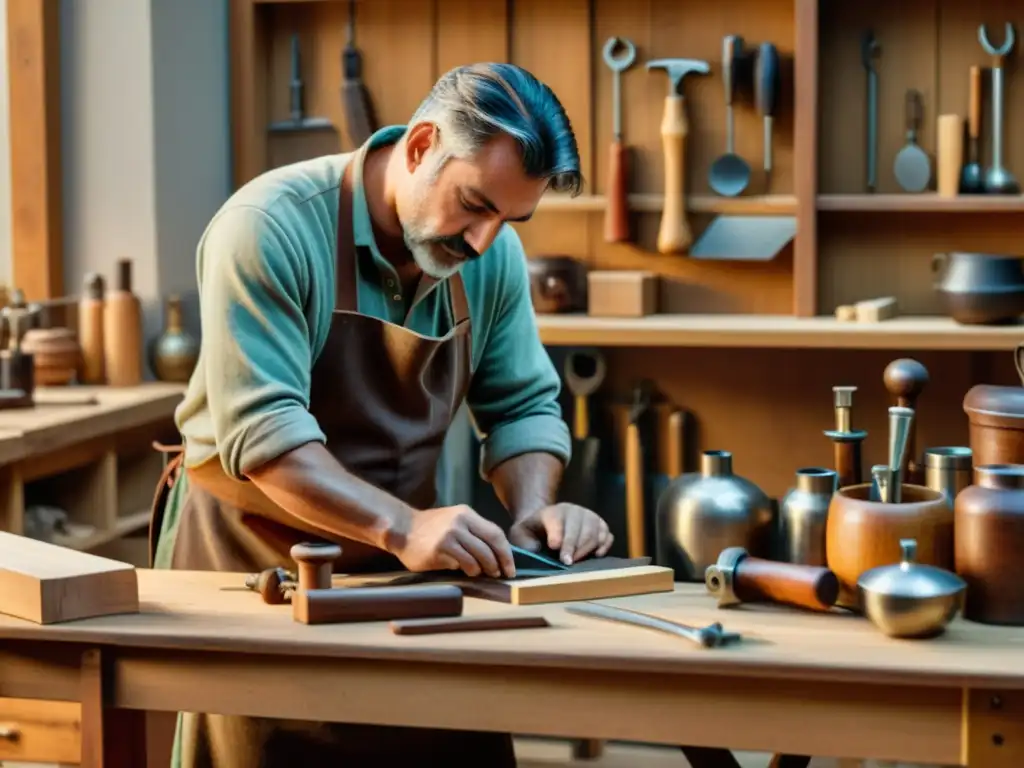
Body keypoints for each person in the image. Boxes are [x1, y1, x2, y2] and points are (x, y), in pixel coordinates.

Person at [148, 62, 614, 767]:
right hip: (256, 560)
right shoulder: (267, 228)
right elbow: (267, 434)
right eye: (474, 204)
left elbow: (520, 405)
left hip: (404, 563)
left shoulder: (491, 257)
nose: (484, 241)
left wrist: (532, 509)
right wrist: (402, 525)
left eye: (510, 219)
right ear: (422, 145)